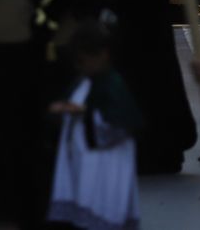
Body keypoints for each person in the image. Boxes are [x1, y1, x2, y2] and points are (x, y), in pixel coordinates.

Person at [46, 21, 142, 230]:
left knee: (104, 207)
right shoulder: (83, 82)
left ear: (103, 55)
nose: (80, 66)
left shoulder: (112, 84)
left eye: (84, 60)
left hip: (107, 163)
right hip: (83, 159)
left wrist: (84, 112)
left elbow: (122, 122)